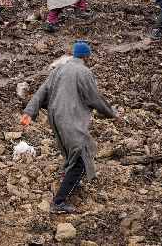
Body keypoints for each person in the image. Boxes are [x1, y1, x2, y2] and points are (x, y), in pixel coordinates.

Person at [21, 41, 117, 215]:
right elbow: (94, 98)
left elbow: (42, 91)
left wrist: (29, 111)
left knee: (70, 151)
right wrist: (111, 112)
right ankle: (59, 201)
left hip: (55, 117)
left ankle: (69, 180)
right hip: (70, 118)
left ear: (73, 54)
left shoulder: (59, 69)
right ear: (87, 56)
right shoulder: (84, 72)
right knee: (80, 157)